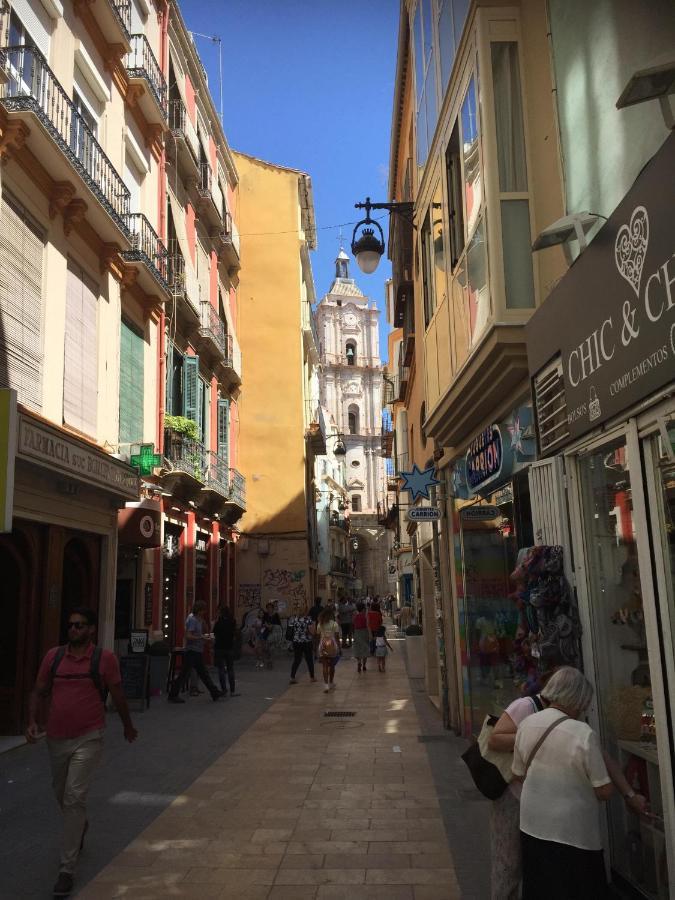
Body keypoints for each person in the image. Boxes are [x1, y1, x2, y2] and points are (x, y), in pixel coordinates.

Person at [25, 607, 138, 898]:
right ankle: (80, 825)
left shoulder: (104, 659)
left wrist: (128, 726)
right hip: (56, 737)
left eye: (80, 625)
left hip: (89, 735)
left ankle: (67, 868)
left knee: (74, 796)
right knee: (62, 793)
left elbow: (117, 694)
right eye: (71, 625)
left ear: (91, 630)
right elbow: (39, 690)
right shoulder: (54, 657)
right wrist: (32, 721)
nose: (74, 629)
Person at [513, 667, 613, 899]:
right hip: (573, 833)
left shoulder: (527, 725)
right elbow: (604, 790)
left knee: (539, 887)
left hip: (532, 824)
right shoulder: (582, 733)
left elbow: (518, 772)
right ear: (577, 698)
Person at [168, 602, 223, 703]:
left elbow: (204, 632)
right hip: (192, 651)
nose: (205, 612)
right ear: (199, 610)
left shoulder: (199, 619)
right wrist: (201, 637)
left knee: (203, 673)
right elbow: (188, 635)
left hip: (198, 650)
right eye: (203, 610)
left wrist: (210, 638)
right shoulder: (192, 619)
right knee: (185, 674)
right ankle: (173, 694)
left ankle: (214, 692)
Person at [212, 604, 240, 696]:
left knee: (221, 669)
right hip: (229, 647)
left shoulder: (218, 622)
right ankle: (232, 691)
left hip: (219, 647)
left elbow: (214, 632)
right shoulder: (232, 621)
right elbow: (235, 634)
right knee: (230, 669)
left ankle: (224, 690)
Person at [288, 605, 316, 684]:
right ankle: (312, 677)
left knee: (297, 660)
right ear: (306, 611)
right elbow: (312, 632)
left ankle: (292, 677)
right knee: (309, 660)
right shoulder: (308, 619)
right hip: (306, 642)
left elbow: (291, 630)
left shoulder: (294, 619)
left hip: (296, 642)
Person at [316, 605, 341, 692]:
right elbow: (337, 637)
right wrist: (340, 648)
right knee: (332, 666)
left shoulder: (320, 624)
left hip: (322, 645)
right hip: (332, 645)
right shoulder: (334, 624)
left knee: (324, 666)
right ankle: (331, 682)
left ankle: (326, 685)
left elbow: (318, 636)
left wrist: (316, 647)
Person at [352, 601, 370, 672]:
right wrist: (370, 634)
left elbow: (353, 624)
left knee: (358, 648)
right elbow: (368, 625)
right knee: (365, 648)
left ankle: (359, 662)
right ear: (363, 609)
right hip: (364, 632)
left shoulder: (355, 616)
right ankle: (364, 665)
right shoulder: (365, 616)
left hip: (357, 632)